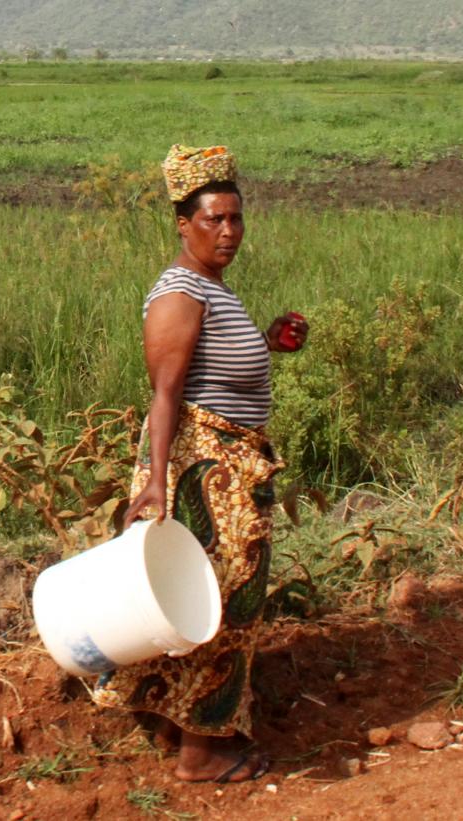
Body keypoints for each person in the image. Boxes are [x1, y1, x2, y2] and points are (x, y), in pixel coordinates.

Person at [92, 144, 308, 782]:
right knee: (223, 605)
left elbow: (214, 371)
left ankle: (175, 725)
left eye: (236, 218)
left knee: (199, 603)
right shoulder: (179, 294)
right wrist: (156, 485)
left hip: (229, 470)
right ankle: (204, 751)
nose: (228, 232)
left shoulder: (211, 288)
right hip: (204, 477)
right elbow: (165, 393)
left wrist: (268, 342)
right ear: (183, 224)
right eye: (213, 219)